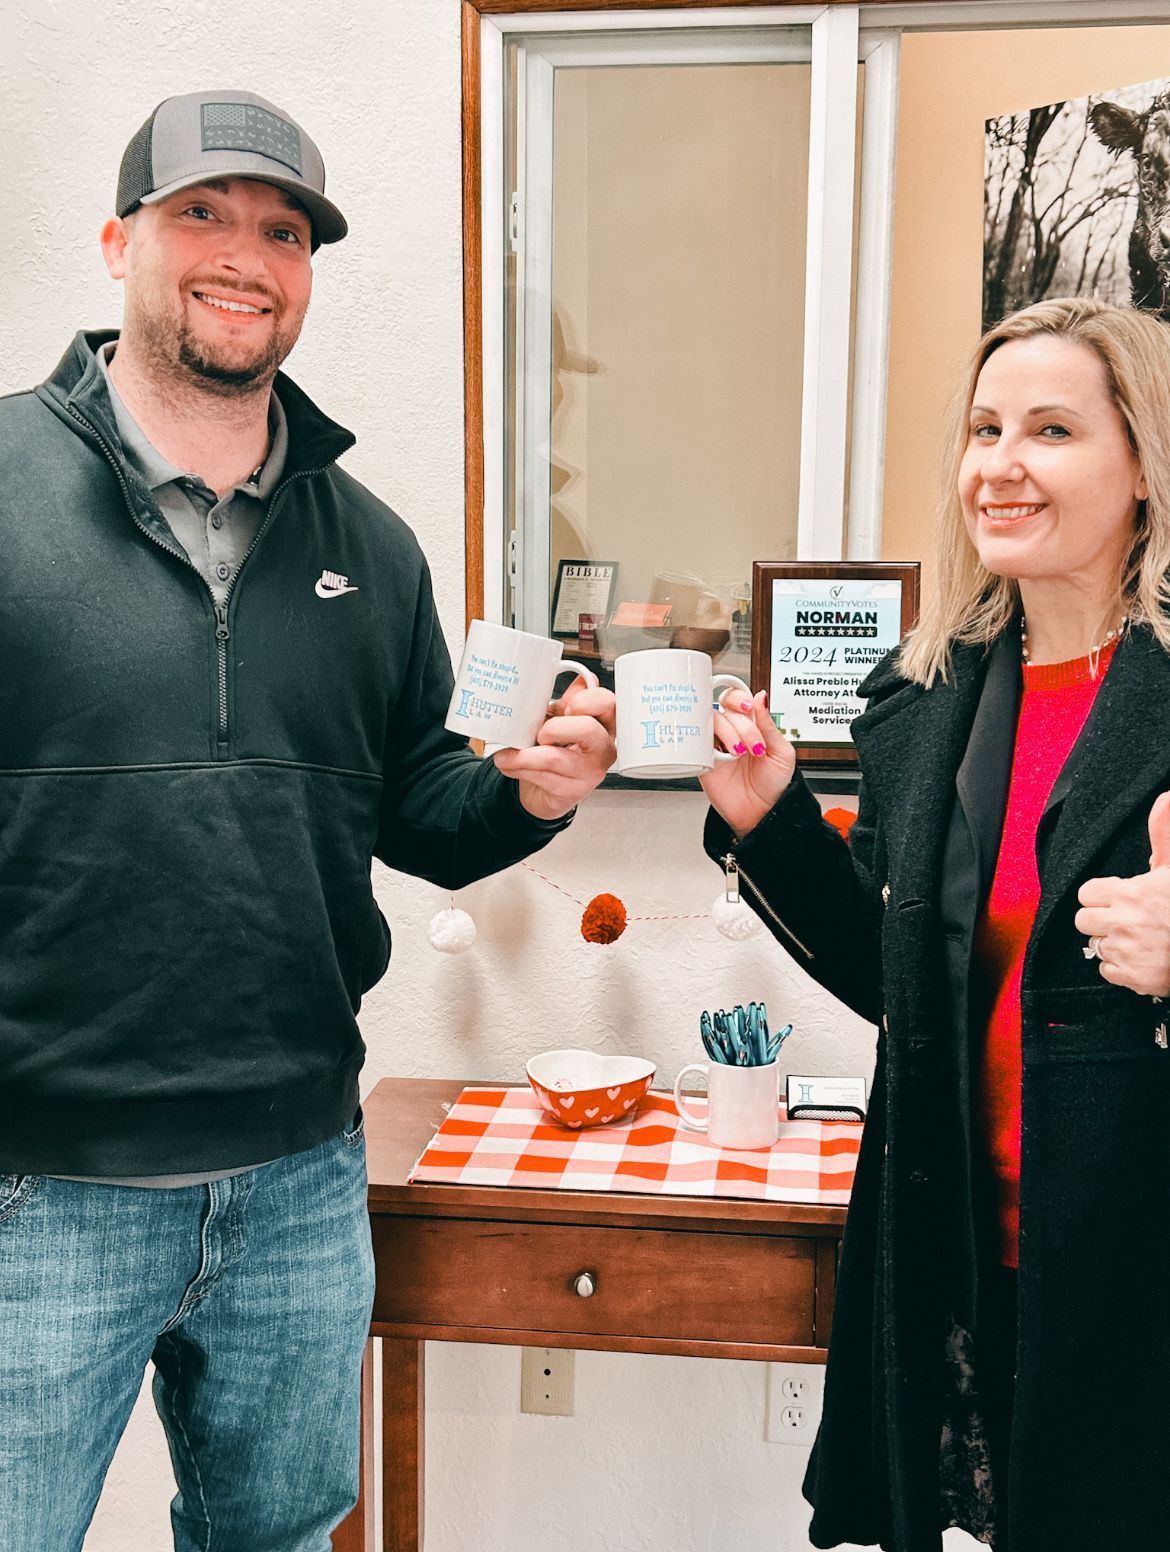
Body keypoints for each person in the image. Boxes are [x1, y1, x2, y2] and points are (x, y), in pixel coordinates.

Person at [0, 89, 616, 1551]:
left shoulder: (369, 543)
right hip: (40, 1189)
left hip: (297, 1176)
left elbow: (417, 808)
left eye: (284, 231)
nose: (245, 255)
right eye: (200, 214)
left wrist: (528, 790)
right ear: (115, 242)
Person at [702, 296, 1170, 1552]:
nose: (1000, 466)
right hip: (967, 1254)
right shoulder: (931, 698)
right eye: (983, 428)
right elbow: (902, 977)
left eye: (1054, 429)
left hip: (1139, 1278)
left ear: (1146, 468)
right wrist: (770, 820)